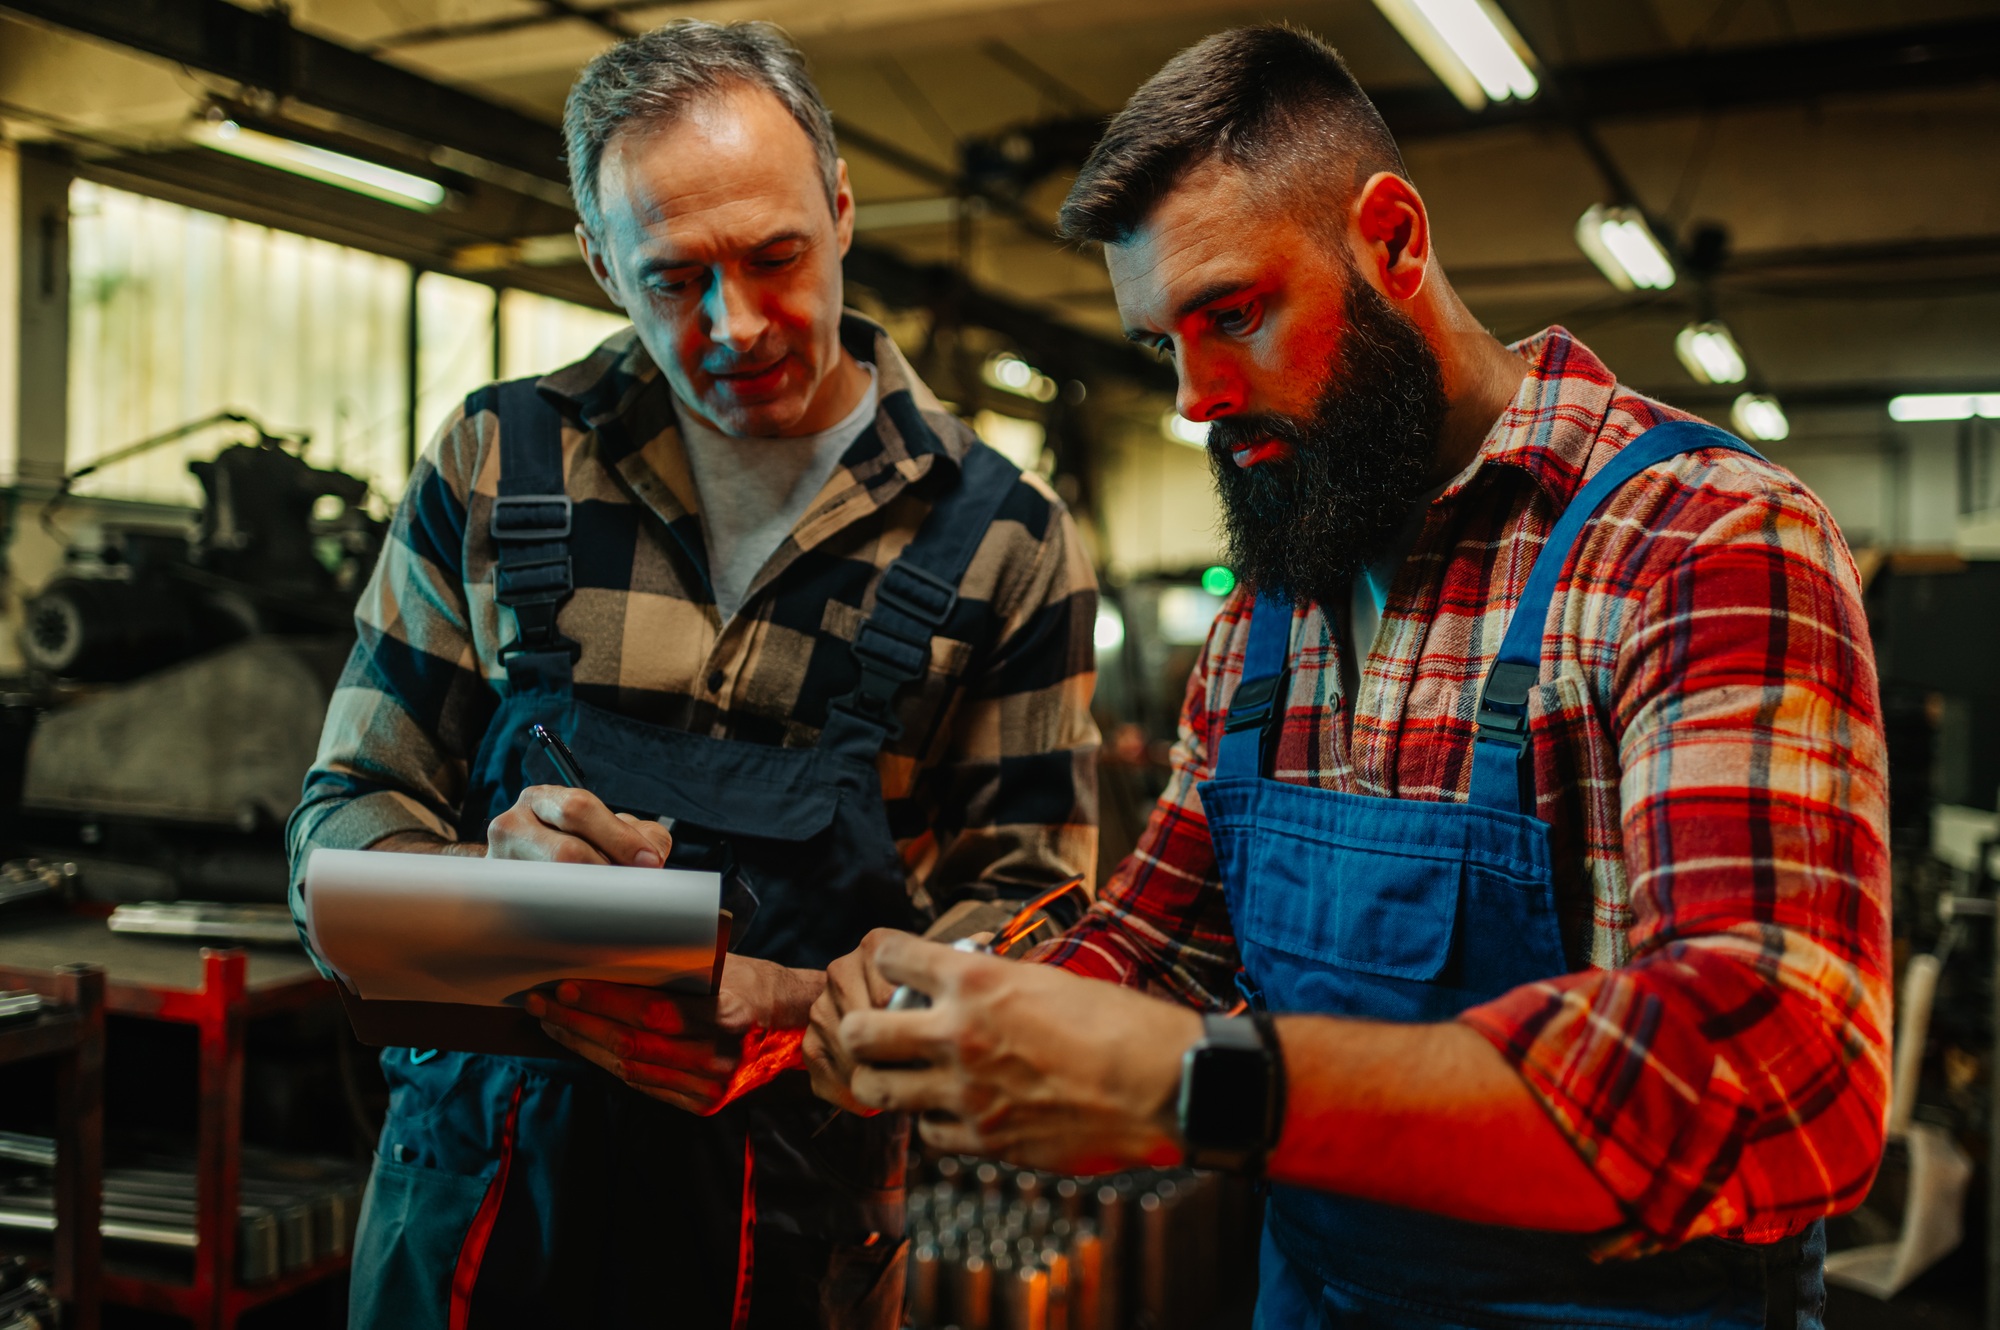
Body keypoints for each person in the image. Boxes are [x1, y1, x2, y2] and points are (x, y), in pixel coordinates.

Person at [808, 24, 1888, 1329]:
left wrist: (1213, 1085)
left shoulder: (1698, 544)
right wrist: (960, 1004)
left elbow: (1782, 1073)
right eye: (1163, 346)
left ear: (1392, 242)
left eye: (1235, 314)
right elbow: (1168, 944)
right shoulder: (1275, 605)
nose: (1198, 399)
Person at [286, 19, 1099, 1330]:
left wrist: (808, 1006)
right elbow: (342, 825)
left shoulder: (1004, 537)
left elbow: (1037, 919)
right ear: (603, 265)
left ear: (841, 212)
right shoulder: (500, 464)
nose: (737, 325)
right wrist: (493, 905)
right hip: (474, 1223)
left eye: (777, 257)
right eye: (673, 278)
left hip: (791, 1232)